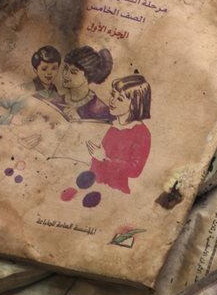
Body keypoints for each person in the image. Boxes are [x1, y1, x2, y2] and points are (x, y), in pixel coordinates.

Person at [60, 73, 151, 207]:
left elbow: (135, 170)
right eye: (113, 95)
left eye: (119, 99)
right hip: (91, 185)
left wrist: (104, 159)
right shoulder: (111, 124)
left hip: (115, 193)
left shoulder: (141, 133)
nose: (112, 101)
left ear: (134, 105)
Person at [50, 46, 113, 121]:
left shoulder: (100, 110)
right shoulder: (56, 102)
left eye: (73, 72)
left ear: (87, 77)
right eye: (66, 68)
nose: (66, 75)